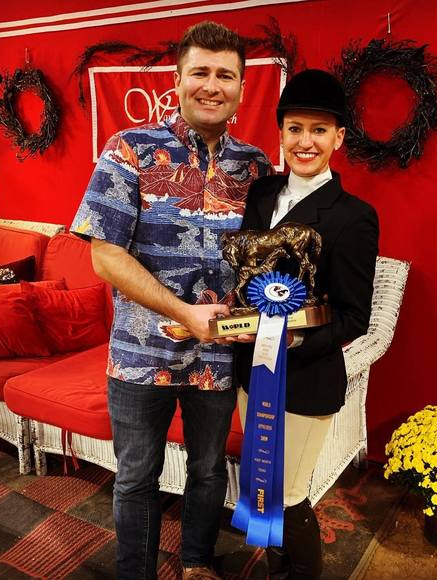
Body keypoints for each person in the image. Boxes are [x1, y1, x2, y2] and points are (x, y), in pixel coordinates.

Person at [70, 21, 272, 580]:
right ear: (177, 81)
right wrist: (184, 313)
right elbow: (104, 255)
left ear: (242, 88)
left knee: (208, 471)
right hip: (140, 358)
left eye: (225, 75)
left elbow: (266, 262)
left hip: (219, 360)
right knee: (137, 477)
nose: (212, 85)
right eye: (200, 72)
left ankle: (197, 564)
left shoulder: (256, 167)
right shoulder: (129, 150)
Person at [233, 69, 379, 578]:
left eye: (319, 130)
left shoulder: (353, 216)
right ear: (281, 133)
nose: (305, 142)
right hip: (250, 371)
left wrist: (288, 341)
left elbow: (355, 316)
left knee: (289, 495)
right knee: (260, 489)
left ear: (338, 138)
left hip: (305, 380)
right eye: (295, 128)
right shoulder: (260, 194)